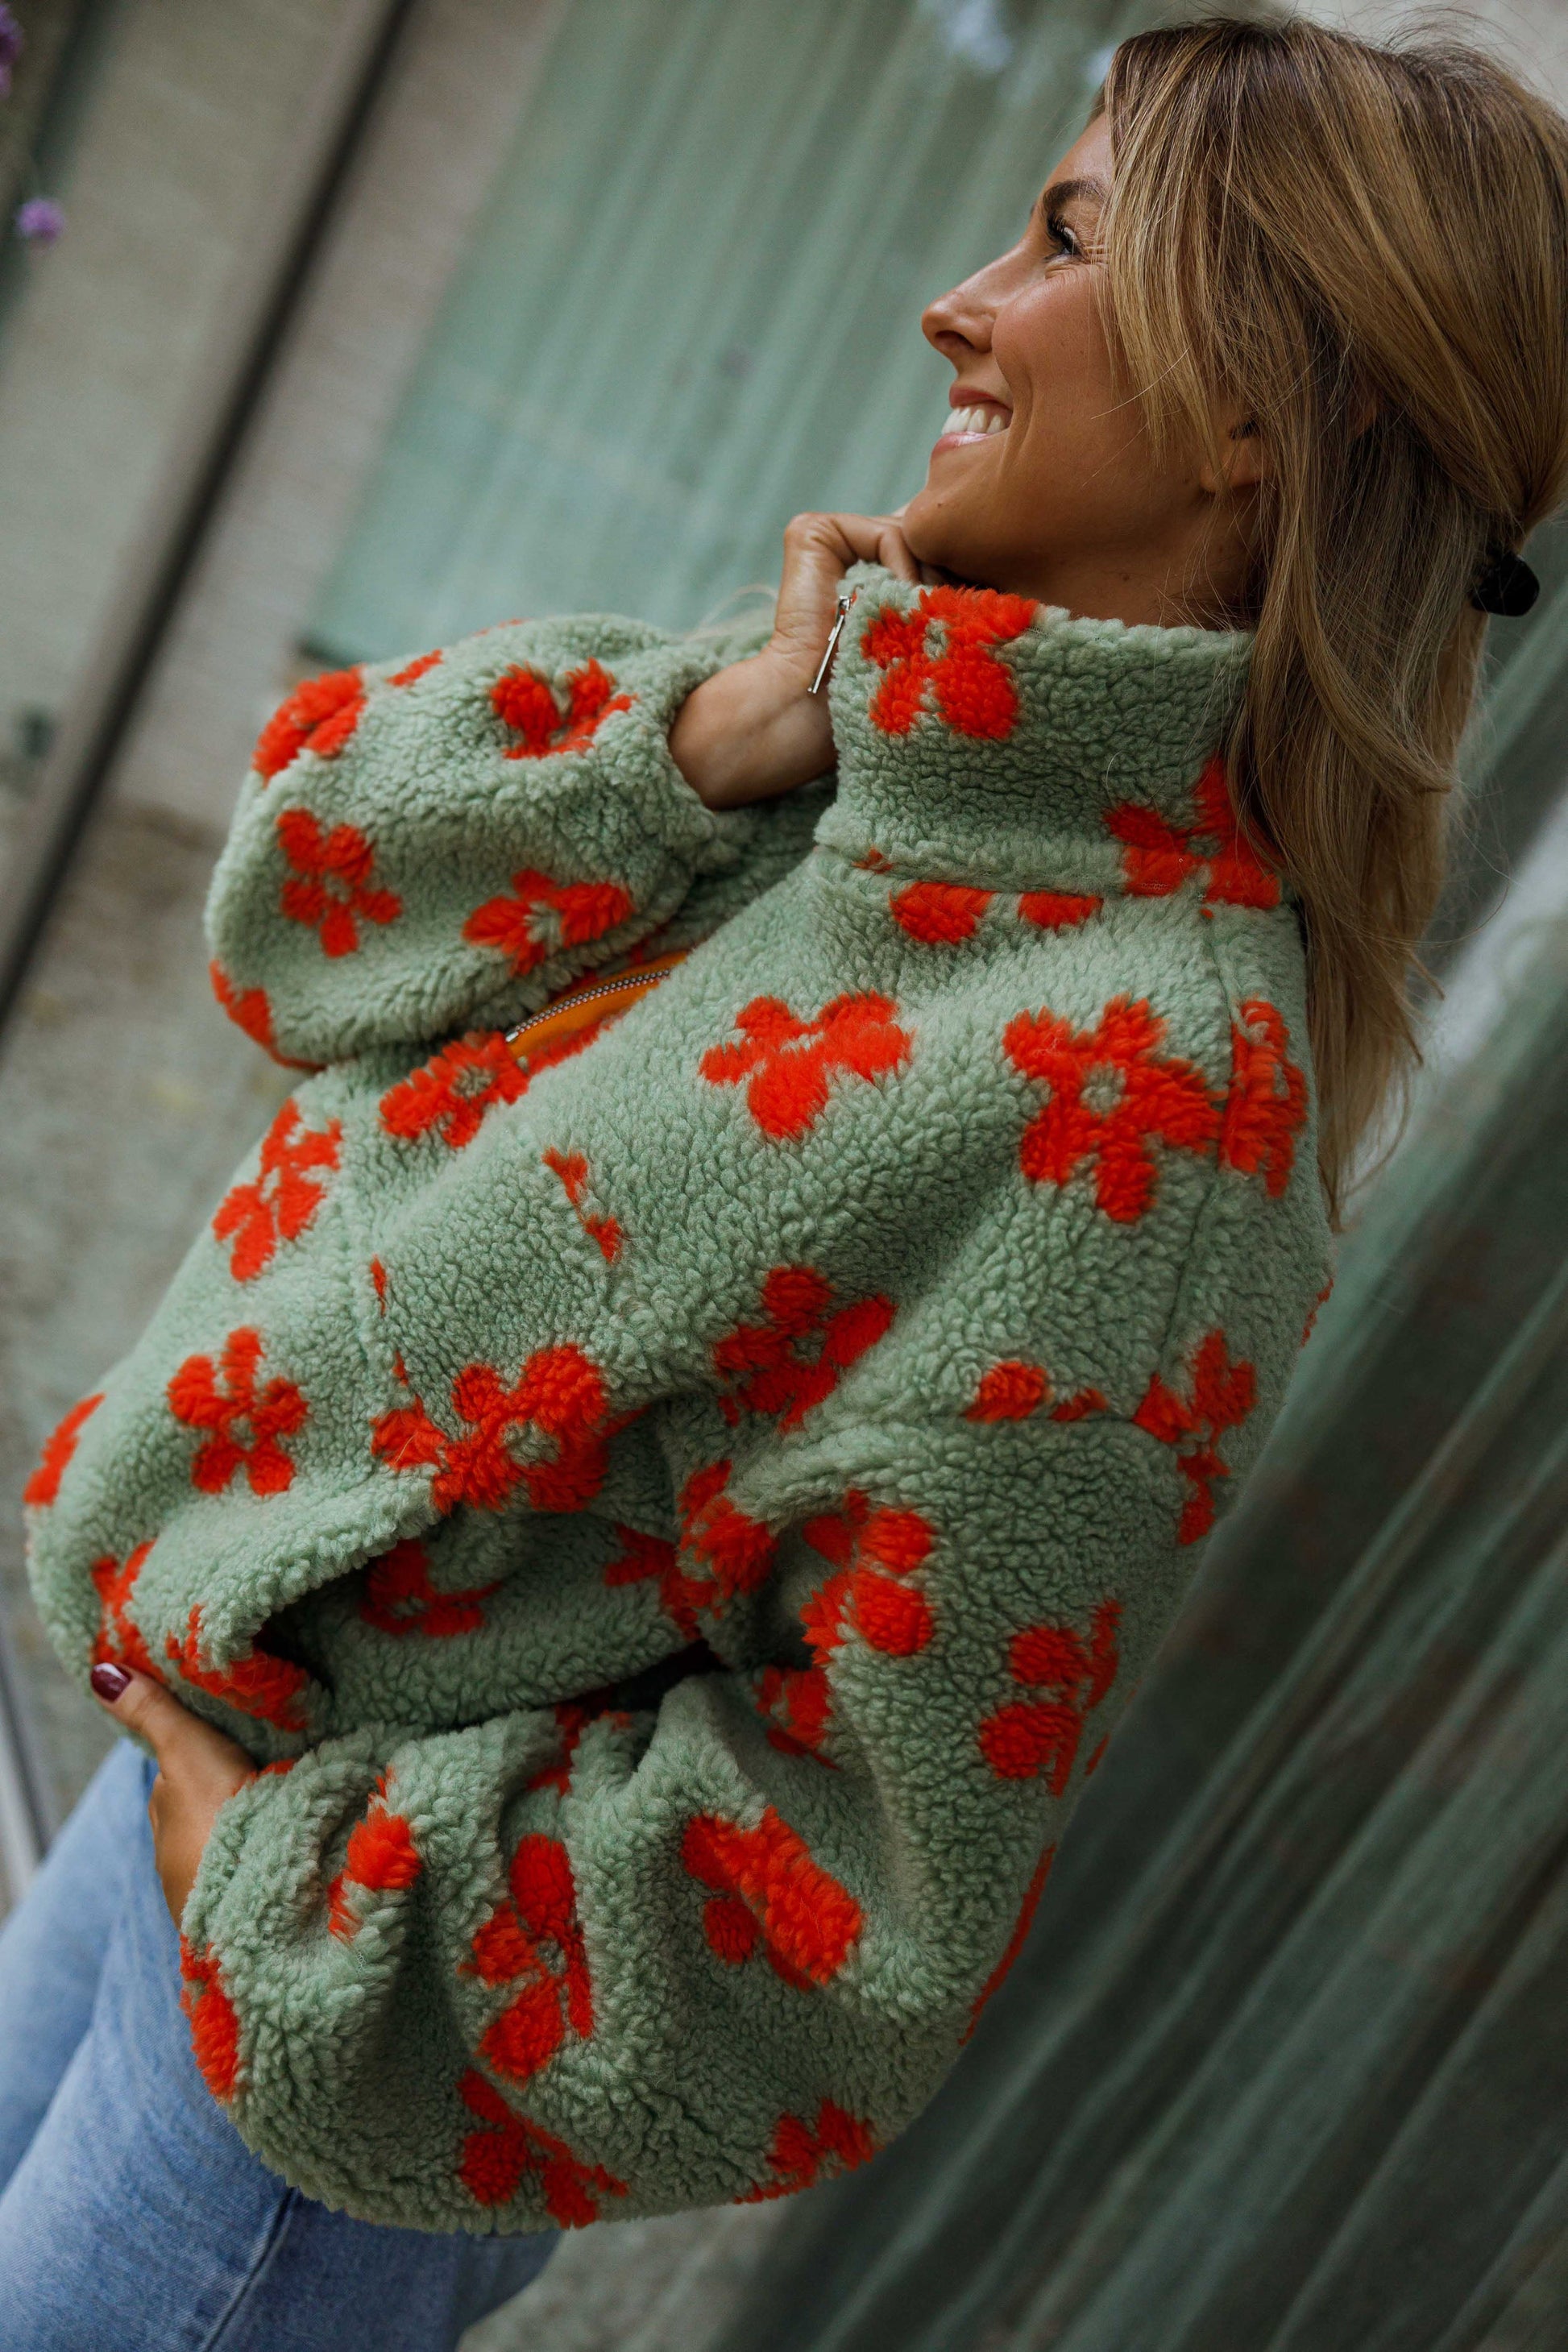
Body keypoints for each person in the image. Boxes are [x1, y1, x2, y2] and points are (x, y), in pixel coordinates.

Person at [4, 17, 1566, 2350]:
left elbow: (854, 1900)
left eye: (1063, 241)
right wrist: (703, 737)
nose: (957, 301)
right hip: (175, 1810)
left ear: (1264, 412)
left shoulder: (1150, 1099)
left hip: (312, 2056)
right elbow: (296, 910)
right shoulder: (835, 735)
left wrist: (304, 1917)